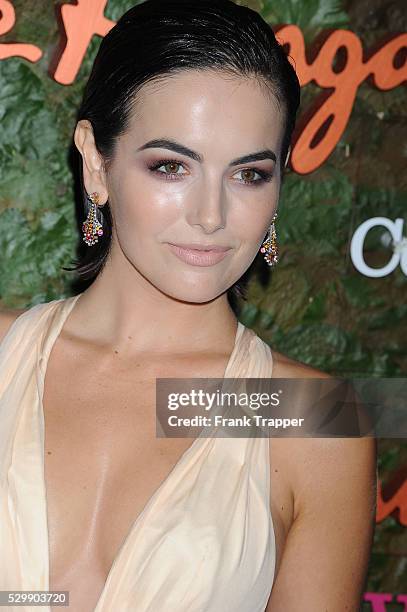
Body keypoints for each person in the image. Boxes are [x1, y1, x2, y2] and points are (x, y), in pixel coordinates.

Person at [0, 1, 377, 610]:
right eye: (171, 166)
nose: (211, 216)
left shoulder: (316, 421)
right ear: (97, 162)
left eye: (249, 175)